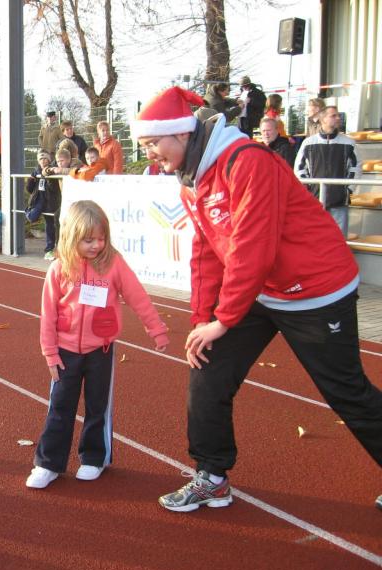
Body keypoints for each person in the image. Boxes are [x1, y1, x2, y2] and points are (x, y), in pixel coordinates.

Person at [131, 86, 382, 512]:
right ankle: (211, 476)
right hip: (261, 289)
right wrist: (202, 319)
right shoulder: (192, 180)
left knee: (347, 392)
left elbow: (253, 248)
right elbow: (207, 251)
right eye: (144, 146)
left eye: (153, 142)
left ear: (182, 133)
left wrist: (224, 319)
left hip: (315, 290)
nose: (150, 153)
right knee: (206, 366)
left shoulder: (247, 161)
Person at [25, 200, 169, 489]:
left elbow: (138, 297)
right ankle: (48, 463)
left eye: (101, 238)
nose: (96, 245)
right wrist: (50, 353)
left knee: (98, 406)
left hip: (100, 351)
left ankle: (94, 458)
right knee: (59, 407)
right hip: (65, 353)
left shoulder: (114, 264)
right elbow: (48, 315)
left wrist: (157, 330)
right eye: (88, 240)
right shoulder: (59, 269)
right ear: (71, 237)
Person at [294, 105, 359, 237]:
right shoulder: (308, 143)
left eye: (338, 115)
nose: (338, 118)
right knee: (314, 239)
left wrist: (348, 189)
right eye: (333, 115)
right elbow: (299, 169)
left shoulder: (349, 143)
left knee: (339, 240)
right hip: (315, 202)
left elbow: (356, 167)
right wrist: (309, 190)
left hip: (339, 202)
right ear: (323, 119)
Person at [26, 151, 61, 260]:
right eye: (40, 159)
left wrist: (48, 178)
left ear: (49, 160)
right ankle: (27, 210)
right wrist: (31, 180)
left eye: (45, 158)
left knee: (51, 225)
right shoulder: (36, 171)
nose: (43, 161)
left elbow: (54, 189)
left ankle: (50, 249)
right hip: (39, 200)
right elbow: (29, 189)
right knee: (32, 217)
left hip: (50, 201)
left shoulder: (52, 170)